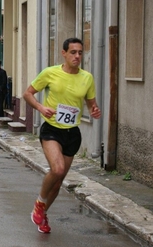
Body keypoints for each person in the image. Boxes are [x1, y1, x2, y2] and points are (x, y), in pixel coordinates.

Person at [23, 37, 101, 234]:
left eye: (80, 53)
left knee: (59, 182)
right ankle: (40, 203)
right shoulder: (50, 73)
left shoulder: (87, 78)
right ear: (64, 53)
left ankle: (42, 214)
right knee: (56, 170)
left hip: (72, 133)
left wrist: (94, 110)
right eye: (73, 52)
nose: (77, 56)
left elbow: (91, 102)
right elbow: (28, 93)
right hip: (52, 130)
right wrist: (41, 108)